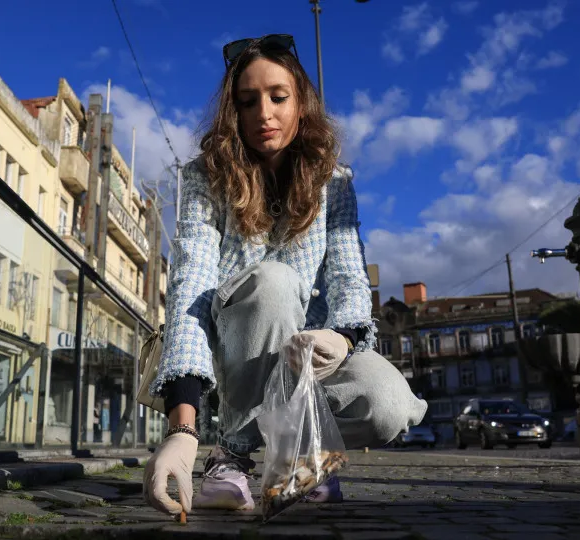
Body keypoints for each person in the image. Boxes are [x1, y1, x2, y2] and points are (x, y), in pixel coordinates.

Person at [141, 34, 428, 516]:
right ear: (233, 111)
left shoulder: (335, 182)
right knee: (272, 281)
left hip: (310, 357)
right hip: (237, 356)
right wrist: (182, 429)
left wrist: (343, 336)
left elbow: (349, 277)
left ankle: (297, 457)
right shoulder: (203, 177)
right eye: (247, 101)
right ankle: (230, 455)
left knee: (388, 405)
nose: (264, 114)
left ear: (301, 104)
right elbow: (191, 285)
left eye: (278, 97)